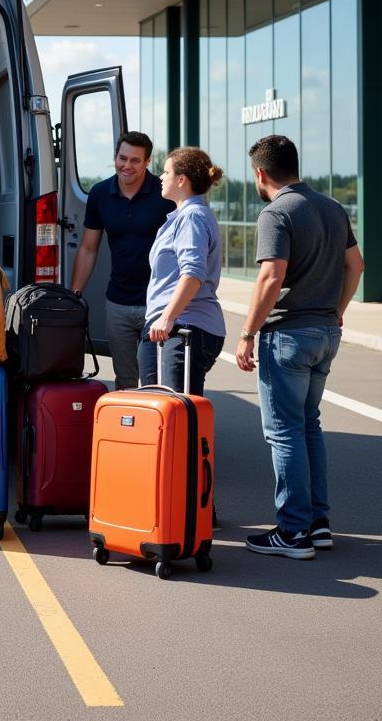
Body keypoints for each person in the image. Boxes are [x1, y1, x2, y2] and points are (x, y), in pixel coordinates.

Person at [235, 135, 363, 560]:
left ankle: (292, 532)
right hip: (326, 331)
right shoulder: (331, 206)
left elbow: (272, 277)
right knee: (309, 427)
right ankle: (317, 524)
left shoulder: (277, 213)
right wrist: (338, 309)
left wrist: (248, 332)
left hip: (288, 334)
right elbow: (356, 265)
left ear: (260, 173)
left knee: (284, 432)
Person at [70, 131, 175, 389]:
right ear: (115, 157)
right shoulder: (100, 193)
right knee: (126, 380)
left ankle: (158, 430)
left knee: (155, 381)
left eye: (135, 161)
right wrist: (74, 293)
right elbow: (88, 249)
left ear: (147, 162)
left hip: (158, 303)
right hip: (117, 302)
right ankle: (127, 429)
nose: (127, 166)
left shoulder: (164, 195)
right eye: (122, 158)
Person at [139, 146, 226, 395]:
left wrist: (168, 317)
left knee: (176, 416)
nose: (160, 177)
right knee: (161, 414)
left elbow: (193, 273)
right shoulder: (183, 216)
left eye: (165, 172)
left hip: (182, 328)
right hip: (172, 328)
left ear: (181, 180)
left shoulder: (192, 217)